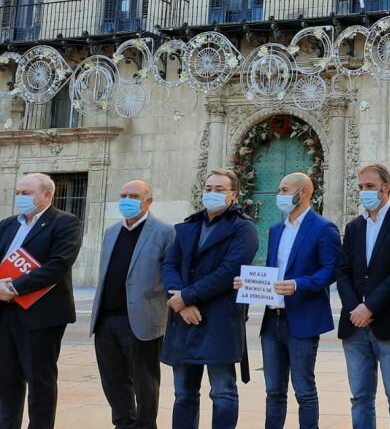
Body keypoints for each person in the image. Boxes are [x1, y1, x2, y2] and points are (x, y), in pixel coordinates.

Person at [232, 172, 340, 429]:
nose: (278, 195)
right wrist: (250, 284)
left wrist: (297, 285)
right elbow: (271, 272)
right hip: (272, 321)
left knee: (304, 390)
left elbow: (330, 270)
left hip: (302, 320)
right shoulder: (276, 230)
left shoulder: (324, 228)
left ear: (302, 192)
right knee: (274, 392)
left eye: (283, 189)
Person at [161, 168, 258, 429]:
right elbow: (169, 265)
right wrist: (182, 303)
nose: (212, 194)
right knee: (183, 393)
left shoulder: (244, 229)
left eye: (219, 189)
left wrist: (187, 296)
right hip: (184, 319)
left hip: (220, 319)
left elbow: (229, 271)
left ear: (233, 195)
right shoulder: (189, 225)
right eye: (208, 189)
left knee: (223, 391)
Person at [338, 164, 390, 429]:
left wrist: (369, 307)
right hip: (353, 324)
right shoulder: (353, 227)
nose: (365, 192)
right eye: (361, 187)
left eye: (370, 187)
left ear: (387, 187)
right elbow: (343, 271)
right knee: (360, 397)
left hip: (389, 321)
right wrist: (354, 308)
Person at [90, 179, 175, 429]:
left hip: (141, 320)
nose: (127, 200)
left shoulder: (164, 231)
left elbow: (170, 273)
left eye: (134, 195)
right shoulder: (111, 231)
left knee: (144, 381)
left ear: (148, 201)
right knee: (113, 380)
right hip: (106, 320)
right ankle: (123, 423)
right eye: (123, 194)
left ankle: (146, 425)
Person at [0, 173, 83, 429]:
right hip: (5, 313)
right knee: (6, 380)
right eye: (18, 193)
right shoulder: (7, 225)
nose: (20, 198)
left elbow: (58, 265)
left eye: (27, 193)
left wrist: (14, 286)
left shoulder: (65, 223)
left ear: (47, 194)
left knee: (40, 382)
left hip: (41, 315)